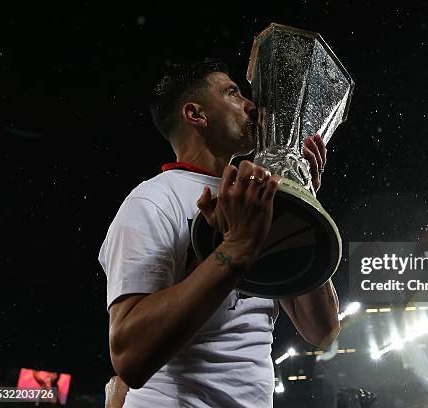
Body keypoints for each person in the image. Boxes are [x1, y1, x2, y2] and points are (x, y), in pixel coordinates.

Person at [99, 58, 340, 407]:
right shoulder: (153, 201)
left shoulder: (257, 198)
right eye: (233, 93)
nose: (252, 106)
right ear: (196, 115)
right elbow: (130, 357)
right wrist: (237, 247)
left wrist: (302, 208)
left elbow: (323, 331)